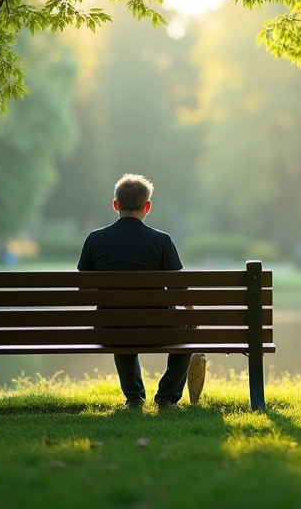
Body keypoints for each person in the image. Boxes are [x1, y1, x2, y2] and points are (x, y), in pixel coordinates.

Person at [77, 174, 206, 410]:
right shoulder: (161, 241)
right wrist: (191, 316)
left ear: (115, 205)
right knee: (186, 332)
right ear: (147, 206)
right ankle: (167, 397)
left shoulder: (95, 239)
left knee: (119, 321)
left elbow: (84, 288)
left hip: (110, 329)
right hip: (158, 328)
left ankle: (134, 397)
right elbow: (179, 286)